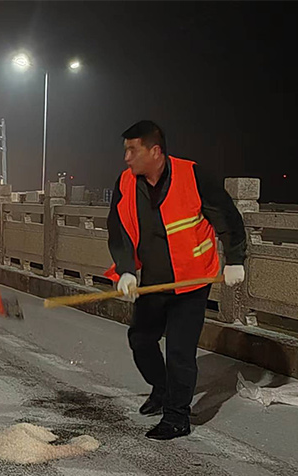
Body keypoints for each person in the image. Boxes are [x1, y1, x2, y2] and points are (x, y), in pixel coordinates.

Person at [106, 120, 246, 440]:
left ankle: (177, 417)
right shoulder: (126, 182)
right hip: (153, 281)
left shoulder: (193, 176)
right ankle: (162, 387)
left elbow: (227, 218)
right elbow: (119, 228)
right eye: (125, 150)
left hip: (191, 282)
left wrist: (235, 259)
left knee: (180, 351)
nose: (126, 157)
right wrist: (126, 269)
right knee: (141, 340)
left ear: (155, 151)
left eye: (132, 150)